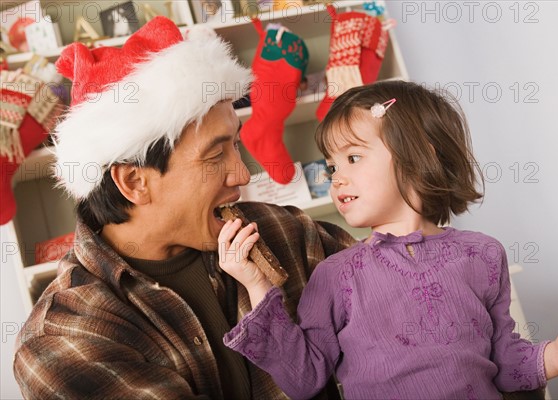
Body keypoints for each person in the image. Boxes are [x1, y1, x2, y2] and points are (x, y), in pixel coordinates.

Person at [12, 17, 356, 399]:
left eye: (235, 145)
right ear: (134, 182)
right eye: (214, 155)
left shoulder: (287, 232)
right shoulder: (62, 339)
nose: (242, 175)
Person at [218, 80, 558, 399]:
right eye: (332, 165)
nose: (335, 177)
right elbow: (304, 378)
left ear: (417, 158)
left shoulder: (483, 254)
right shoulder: (336, 276)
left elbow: (504, 363)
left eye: (353, 158)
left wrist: (555, 358)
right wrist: (257, 284)